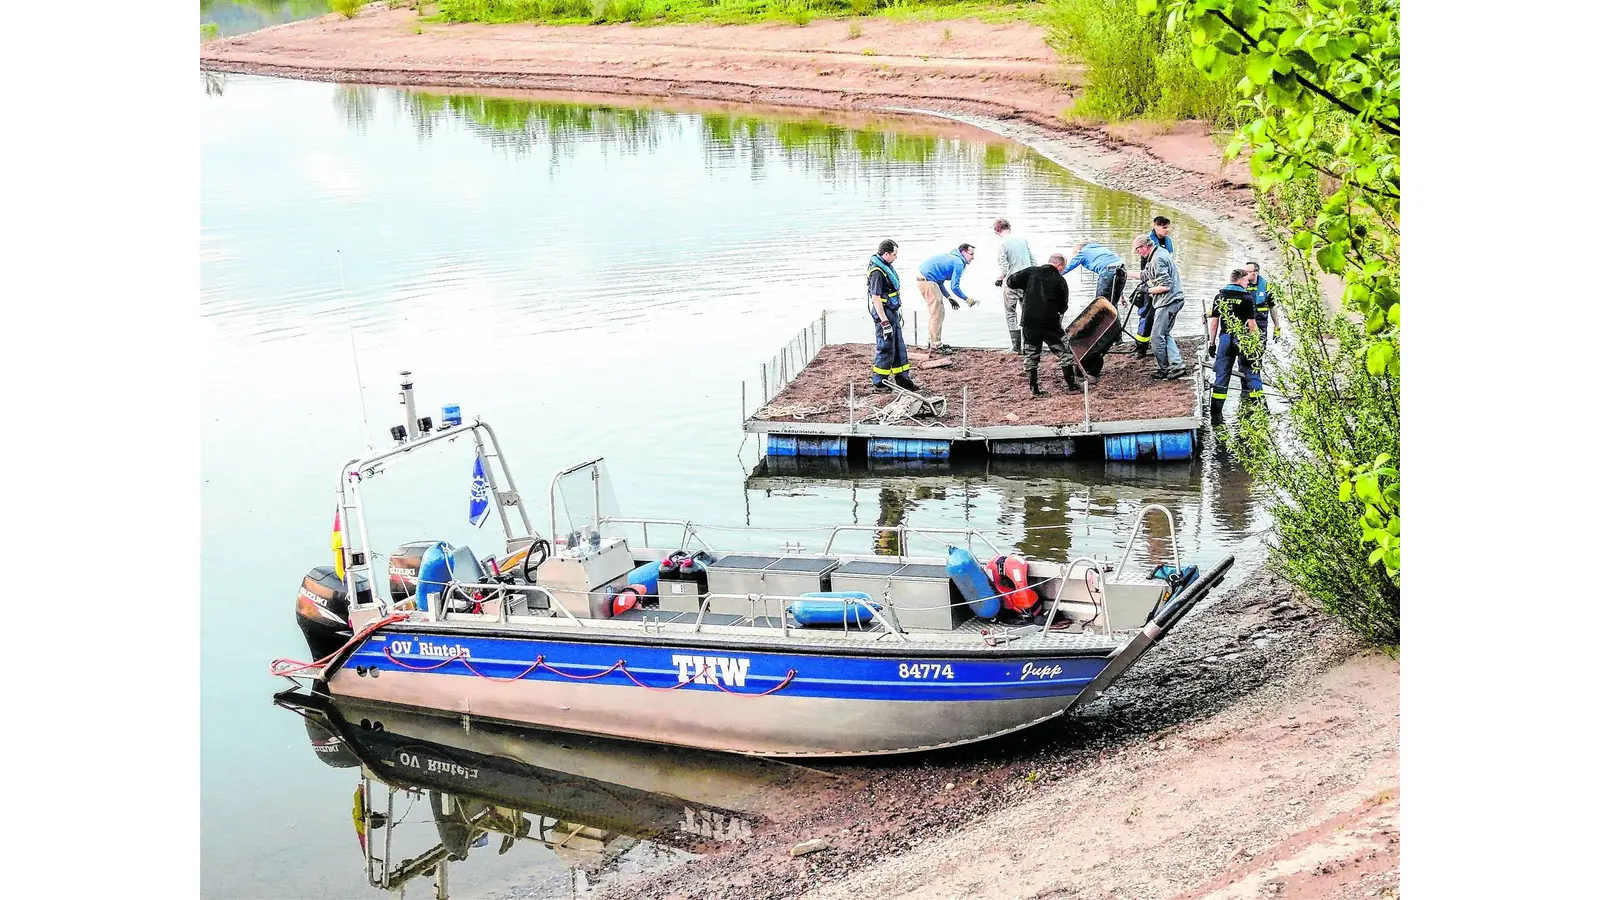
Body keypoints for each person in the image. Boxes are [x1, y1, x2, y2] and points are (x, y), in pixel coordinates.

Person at [1005, 253, 1081, 396]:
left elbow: (1010, 281)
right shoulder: (1060, 280)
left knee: (1031, 355)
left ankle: (1034, 389)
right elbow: (1063, 307)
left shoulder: (1030, 272)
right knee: (1064, 353)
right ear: (1059, 265)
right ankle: (1071, 386)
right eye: (1063, 268)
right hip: (1050, 324)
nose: (1063, 270)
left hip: (1029, 323)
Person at [1207, 268, 1264, 418]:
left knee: (1221, 375)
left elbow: (1214, 323)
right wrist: (1256, 344)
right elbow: (1252, 325)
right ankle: (1260, 411)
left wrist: (1212, 343)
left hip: (1225, 339)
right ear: (1239, 280)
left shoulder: (1219, 297)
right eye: (1246, 281)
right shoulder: (1246, 298)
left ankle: (1215, 414)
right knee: (1252, 373)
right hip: (1243, 339)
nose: (1247, 284)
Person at [867, 239, 918, 393]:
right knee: (885, 348)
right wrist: (884, 323)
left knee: (898, 346)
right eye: (894, 254)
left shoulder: (886, 266)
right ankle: (879, 383)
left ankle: (903, 379)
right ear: (887, 253)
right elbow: (876, 298)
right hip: (884, 313)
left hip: (892, 310)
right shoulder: (877, 271)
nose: (896, 257)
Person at [1133, 234, 1186, 379]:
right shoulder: (1159, 252)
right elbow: (1146, 274)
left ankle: (1165, 369)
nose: (1138, 254)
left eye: (1138, 250)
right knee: (1164, 334)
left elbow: (1165, 286)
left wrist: (1147, 290)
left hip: (1168, 302)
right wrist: (1126, 274)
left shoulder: (1157, 259)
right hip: (1173, 299)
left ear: (1144, 247)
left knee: (1156, 338)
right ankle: (1177, 364)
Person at [916, 243, 976, 353]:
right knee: (937, 314)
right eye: (971, 254)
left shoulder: (952, 258)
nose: (973, 257)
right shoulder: (959, 263)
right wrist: (966, 299)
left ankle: (932, 341)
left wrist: (949, 298)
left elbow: (939, 281)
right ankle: (936, 345)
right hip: (928, 282)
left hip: (925, 280)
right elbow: (955, 287)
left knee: (936, 313)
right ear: (963, 252)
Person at [1132, 217, 1174, 356]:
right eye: (1164, 227)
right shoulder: (1147, 242)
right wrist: (1148, 286)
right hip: (1151, 281)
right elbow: (1146, 268)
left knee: (1160, 315)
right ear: (1155, 226)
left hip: (1162, 282)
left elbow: (1169, 262)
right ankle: (1141, 347)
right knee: (1147, 314)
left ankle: (1157, 342)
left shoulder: (1168, 241)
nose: (1167, 230)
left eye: (1168, 227)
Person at [993, 219, 1035, 353]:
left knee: (1011, 312)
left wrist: (999, 278)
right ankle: (1028, 345)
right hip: (1028, 281)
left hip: (1013, 282)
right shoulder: (1022, 240)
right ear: (1009, 228)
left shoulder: (1002, 243)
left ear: (996, 230)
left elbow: (1004, 267)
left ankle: (1016, 347)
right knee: (1027, 313)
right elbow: (1033, 260)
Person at [1063, 240, 1128, 306]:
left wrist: (1053, 273)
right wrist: (1121, 296)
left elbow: (1067, 268)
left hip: (1107, 272)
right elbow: (1117, 272)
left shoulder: (1083, 252)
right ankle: (1115, 315)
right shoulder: (1102, 249)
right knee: (1112, 304)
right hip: (1122, 270)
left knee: (1100, 304)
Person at [1244, 261, 1282, 341]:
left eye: (1248, 272)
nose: (1244, 274)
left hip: (1261, 323)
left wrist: (1277, 328)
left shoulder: (1266, 286)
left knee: (1260, 349)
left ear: (1256, 272)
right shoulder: (1240, 285)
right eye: (1244, 271)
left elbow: (1273, 307)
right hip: (1244, 324)